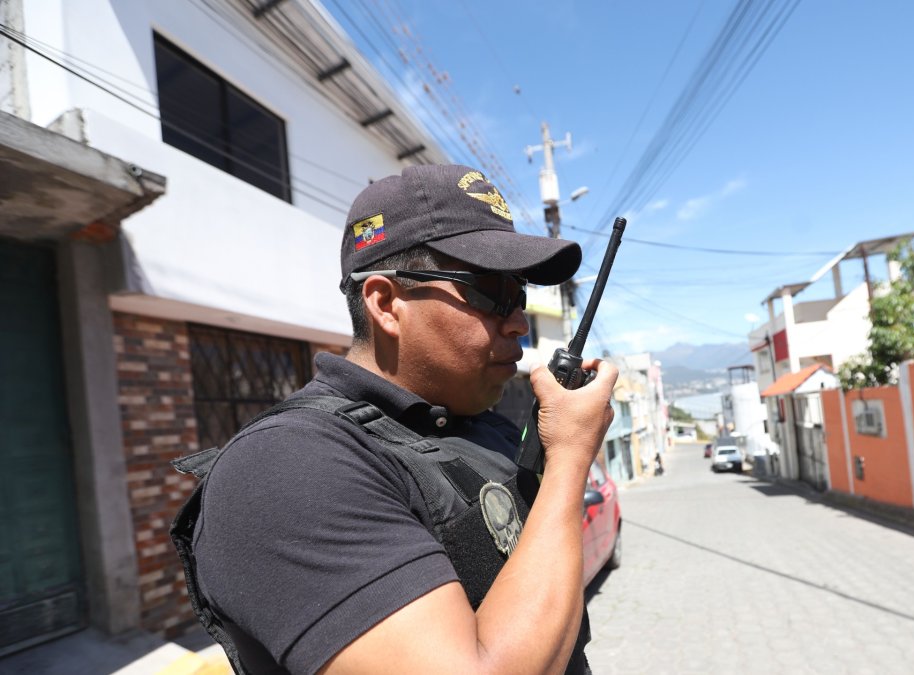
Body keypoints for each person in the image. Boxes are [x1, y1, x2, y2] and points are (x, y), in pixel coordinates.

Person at [179, 165, 616, 674]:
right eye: (492, 292)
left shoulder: (478, 426)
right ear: (386, 303)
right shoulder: (286, 467)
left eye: (519, 295)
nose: (518, 321)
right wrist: (570, 453)